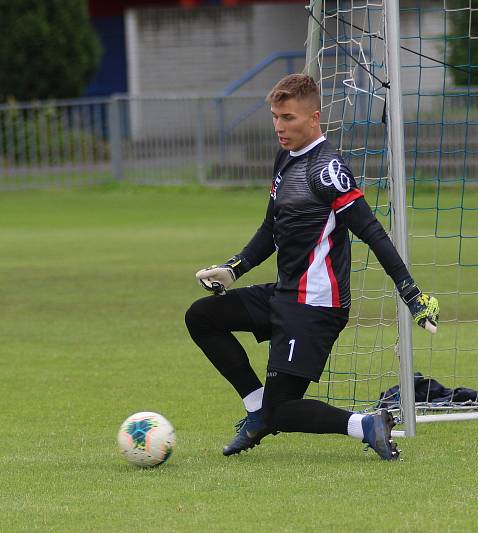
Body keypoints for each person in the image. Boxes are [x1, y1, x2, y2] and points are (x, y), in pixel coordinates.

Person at [185, 73, 439, 461]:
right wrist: (233, 269)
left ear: (314, 118)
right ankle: (256, 409)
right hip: (285, 294)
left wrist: (410, 292)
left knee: (282, 412)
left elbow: (372, 232)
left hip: (316, 306)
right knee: (202, 317)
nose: (279, 127)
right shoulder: (285, 158)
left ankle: (366, 425)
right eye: (275, 117)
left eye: (288, 118)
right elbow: (273, 227)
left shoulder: (328, 170)